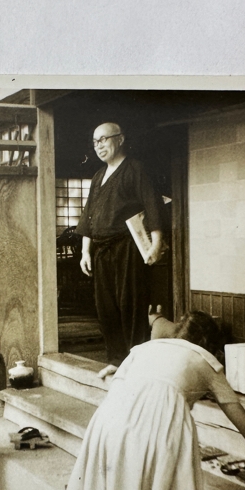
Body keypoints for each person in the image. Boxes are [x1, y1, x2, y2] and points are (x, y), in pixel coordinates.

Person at [66, 306, 245, 490]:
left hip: (107, 423)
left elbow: (121, 383)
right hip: (154, 427)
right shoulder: (204, 360)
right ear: (209, 343)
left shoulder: (144, 349)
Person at [74, 122, 168, 363]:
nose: (98, 146)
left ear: (120, 139)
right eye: (95, 142)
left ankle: (135, 363)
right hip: (101, 251)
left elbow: (153, 206)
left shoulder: (136, 169)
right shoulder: (97, 177)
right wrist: (86, 251)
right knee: (106, 308)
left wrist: (156, 244)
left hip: (128, 248)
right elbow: (88, 215)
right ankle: (116, 361)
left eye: (103, 139)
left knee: (132, 305)